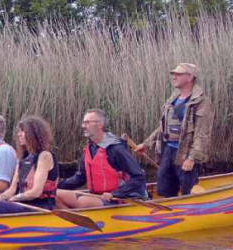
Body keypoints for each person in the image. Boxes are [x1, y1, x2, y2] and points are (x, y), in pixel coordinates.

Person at [135, 62, 215, 197]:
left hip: (185, 153)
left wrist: (192, 158)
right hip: (168, 151)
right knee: (165, 188)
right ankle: (171, 214)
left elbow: (202, 134)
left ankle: (191, 214)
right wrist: (146, 143)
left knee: (188, 190)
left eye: (178, 74)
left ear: (190, 77)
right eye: (174, 74)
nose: (174, 77)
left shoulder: (202, 102)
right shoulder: (172, 100)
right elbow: (162, 127)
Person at [56, 109, 148, 209]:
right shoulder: (89, 147)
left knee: (82, 202)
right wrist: (56, 185)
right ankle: (71, 223)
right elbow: (80, 177)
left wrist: (115, 194)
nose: (83, 126)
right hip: (97, 197)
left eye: (87, 123)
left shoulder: (115, 149)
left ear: (99, 125)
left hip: (119, 198)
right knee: (55, 194)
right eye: (83, 122)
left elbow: (139, 176)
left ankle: (75, 222)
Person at [0, 116, 59, 214]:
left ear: (33, 134)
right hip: (22, 203)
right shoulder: (22, 158)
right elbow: (12, 189)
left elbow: (36, 192)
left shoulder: (44, 156)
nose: (19, 134)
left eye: (23, 131)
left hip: (39, 206)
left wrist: (15, 198)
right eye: (19, 131)